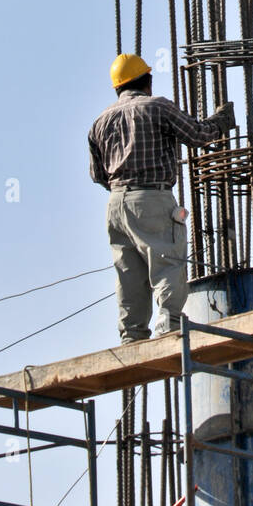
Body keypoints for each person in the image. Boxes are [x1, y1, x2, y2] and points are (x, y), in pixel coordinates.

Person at [89, 53, 234, 344]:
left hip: (116, 205)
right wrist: (220, 123)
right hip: (153, 196)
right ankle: (169, 326)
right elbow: (197, 135)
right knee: (167, 260)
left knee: (128, 271)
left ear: (117, 87)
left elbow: (97, 175)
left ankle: (132, 336)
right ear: (148, 82)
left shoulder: (99, 122)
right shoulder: (157, 107)